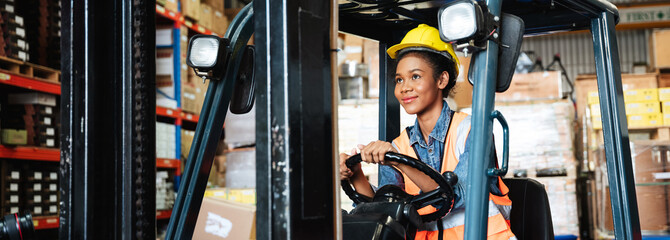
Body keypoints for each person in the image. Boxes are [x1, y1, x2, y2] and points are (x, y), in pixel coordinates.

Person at [339, 24, 516, 240]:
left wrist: (401, 162)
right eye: (399, 79)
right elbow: (385, 213)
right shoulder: (399, 146)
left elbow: (457, 197)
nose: (404, 87)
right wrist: (356, 175)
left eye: (415, 76)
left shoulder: (472, 131)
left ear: (441, 80)